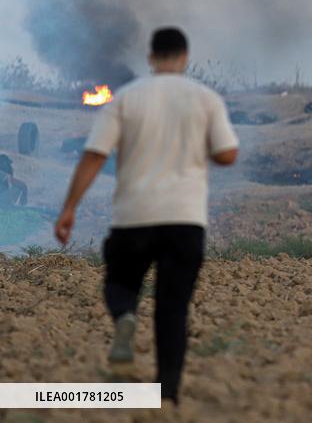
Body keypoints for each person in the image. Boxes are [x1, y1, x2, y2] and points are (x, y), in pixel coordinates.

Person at [54, 27, 239, 405]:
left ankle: (124, 316)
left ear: (151, 58)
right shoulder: (205, 98)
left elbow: (94, 155)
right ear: (185, 58)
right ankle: (166, 395)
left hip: (133, 218)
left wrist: (69, 207)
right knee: (172, 310)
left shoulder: (124, 99)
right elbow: (227, 154)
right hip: (185, 221)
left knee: (120, 284)